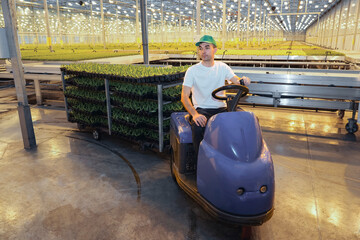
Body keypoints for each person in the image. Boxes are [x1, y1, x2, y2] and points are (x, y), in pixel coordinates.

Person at [181, 35, 251, 157]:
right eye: (200, 48)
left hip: (221, 108)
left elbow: (236, 80)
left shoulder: (222, 67)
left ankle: (238, 157)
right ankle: (200, 162)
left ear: (215, 50)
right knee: (198, 127)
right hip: (202, 109)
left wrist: (243, 80)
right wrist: (195, 114)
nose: (203, 51)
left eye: (207, 47)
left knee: (244, 121)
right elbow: (184, 96)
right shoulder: (192, 71)